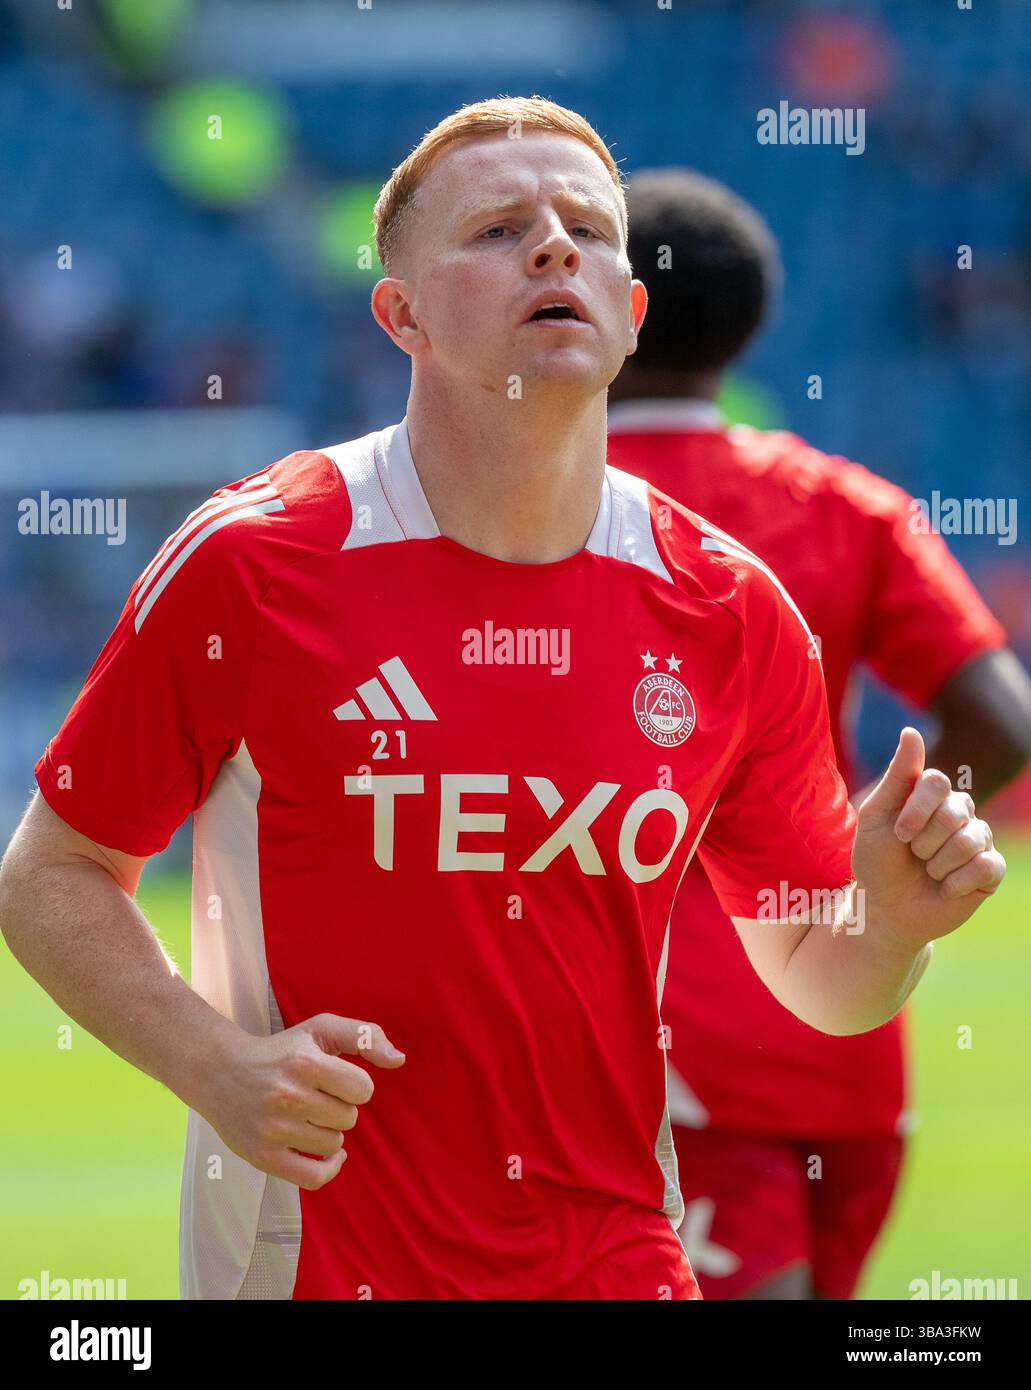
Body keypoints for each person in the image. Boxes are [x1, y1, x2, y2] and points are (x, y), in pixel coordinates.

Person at [0, 100, 1007, 1302]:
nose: (551, 247)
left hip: (621, 1257)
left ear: (631, 316)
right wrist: (214, 1063)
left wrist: (886, 924)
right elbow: (53, 873)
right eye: (495, 228)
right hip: (315, 1262)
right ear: (399, 313)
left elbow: (813, 972)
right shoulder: (252, 565)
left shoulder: (731, 610)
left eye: (586, 227)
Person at [607, 168, 1031, 1300]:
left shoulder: (542, 514)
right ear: (752, 326)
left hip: (652, 1029)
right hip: (842, 1019)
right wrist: (854, 854)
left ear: (607, 310)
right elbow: (999, 718)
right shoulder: (842, 503)